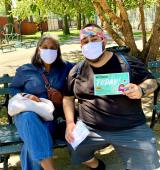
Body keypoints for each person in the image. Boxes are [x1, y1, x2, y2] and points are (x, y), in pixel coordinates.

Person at [63, 23, 160, 170]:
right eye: (85, 41)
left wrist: (141, 90)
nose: (90, 44)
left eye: (94, 39)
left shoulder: (127, 62)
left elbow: (152, 81)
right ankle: (96, 165)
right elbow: (68, 98)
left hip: (130, 129)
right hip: (89, 129)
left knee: (147, 165)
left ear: (104, 41)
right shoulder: (76, 71)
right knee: (74, 148)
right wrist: (70, 123)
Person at [9, 35, 74, 170]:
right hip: (25, 117)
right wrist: (26, 95)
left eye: (52, 48)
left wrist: (62, 96)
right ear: (38, 49)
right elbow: (13, 88)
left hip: (50, 119)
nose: (48, 50)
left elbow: (87, 69)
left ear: (58, 51)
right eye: (45, 47)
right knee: (28, 116)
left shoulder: (65, 68)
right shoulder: (25, 69)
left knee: (33, 138)